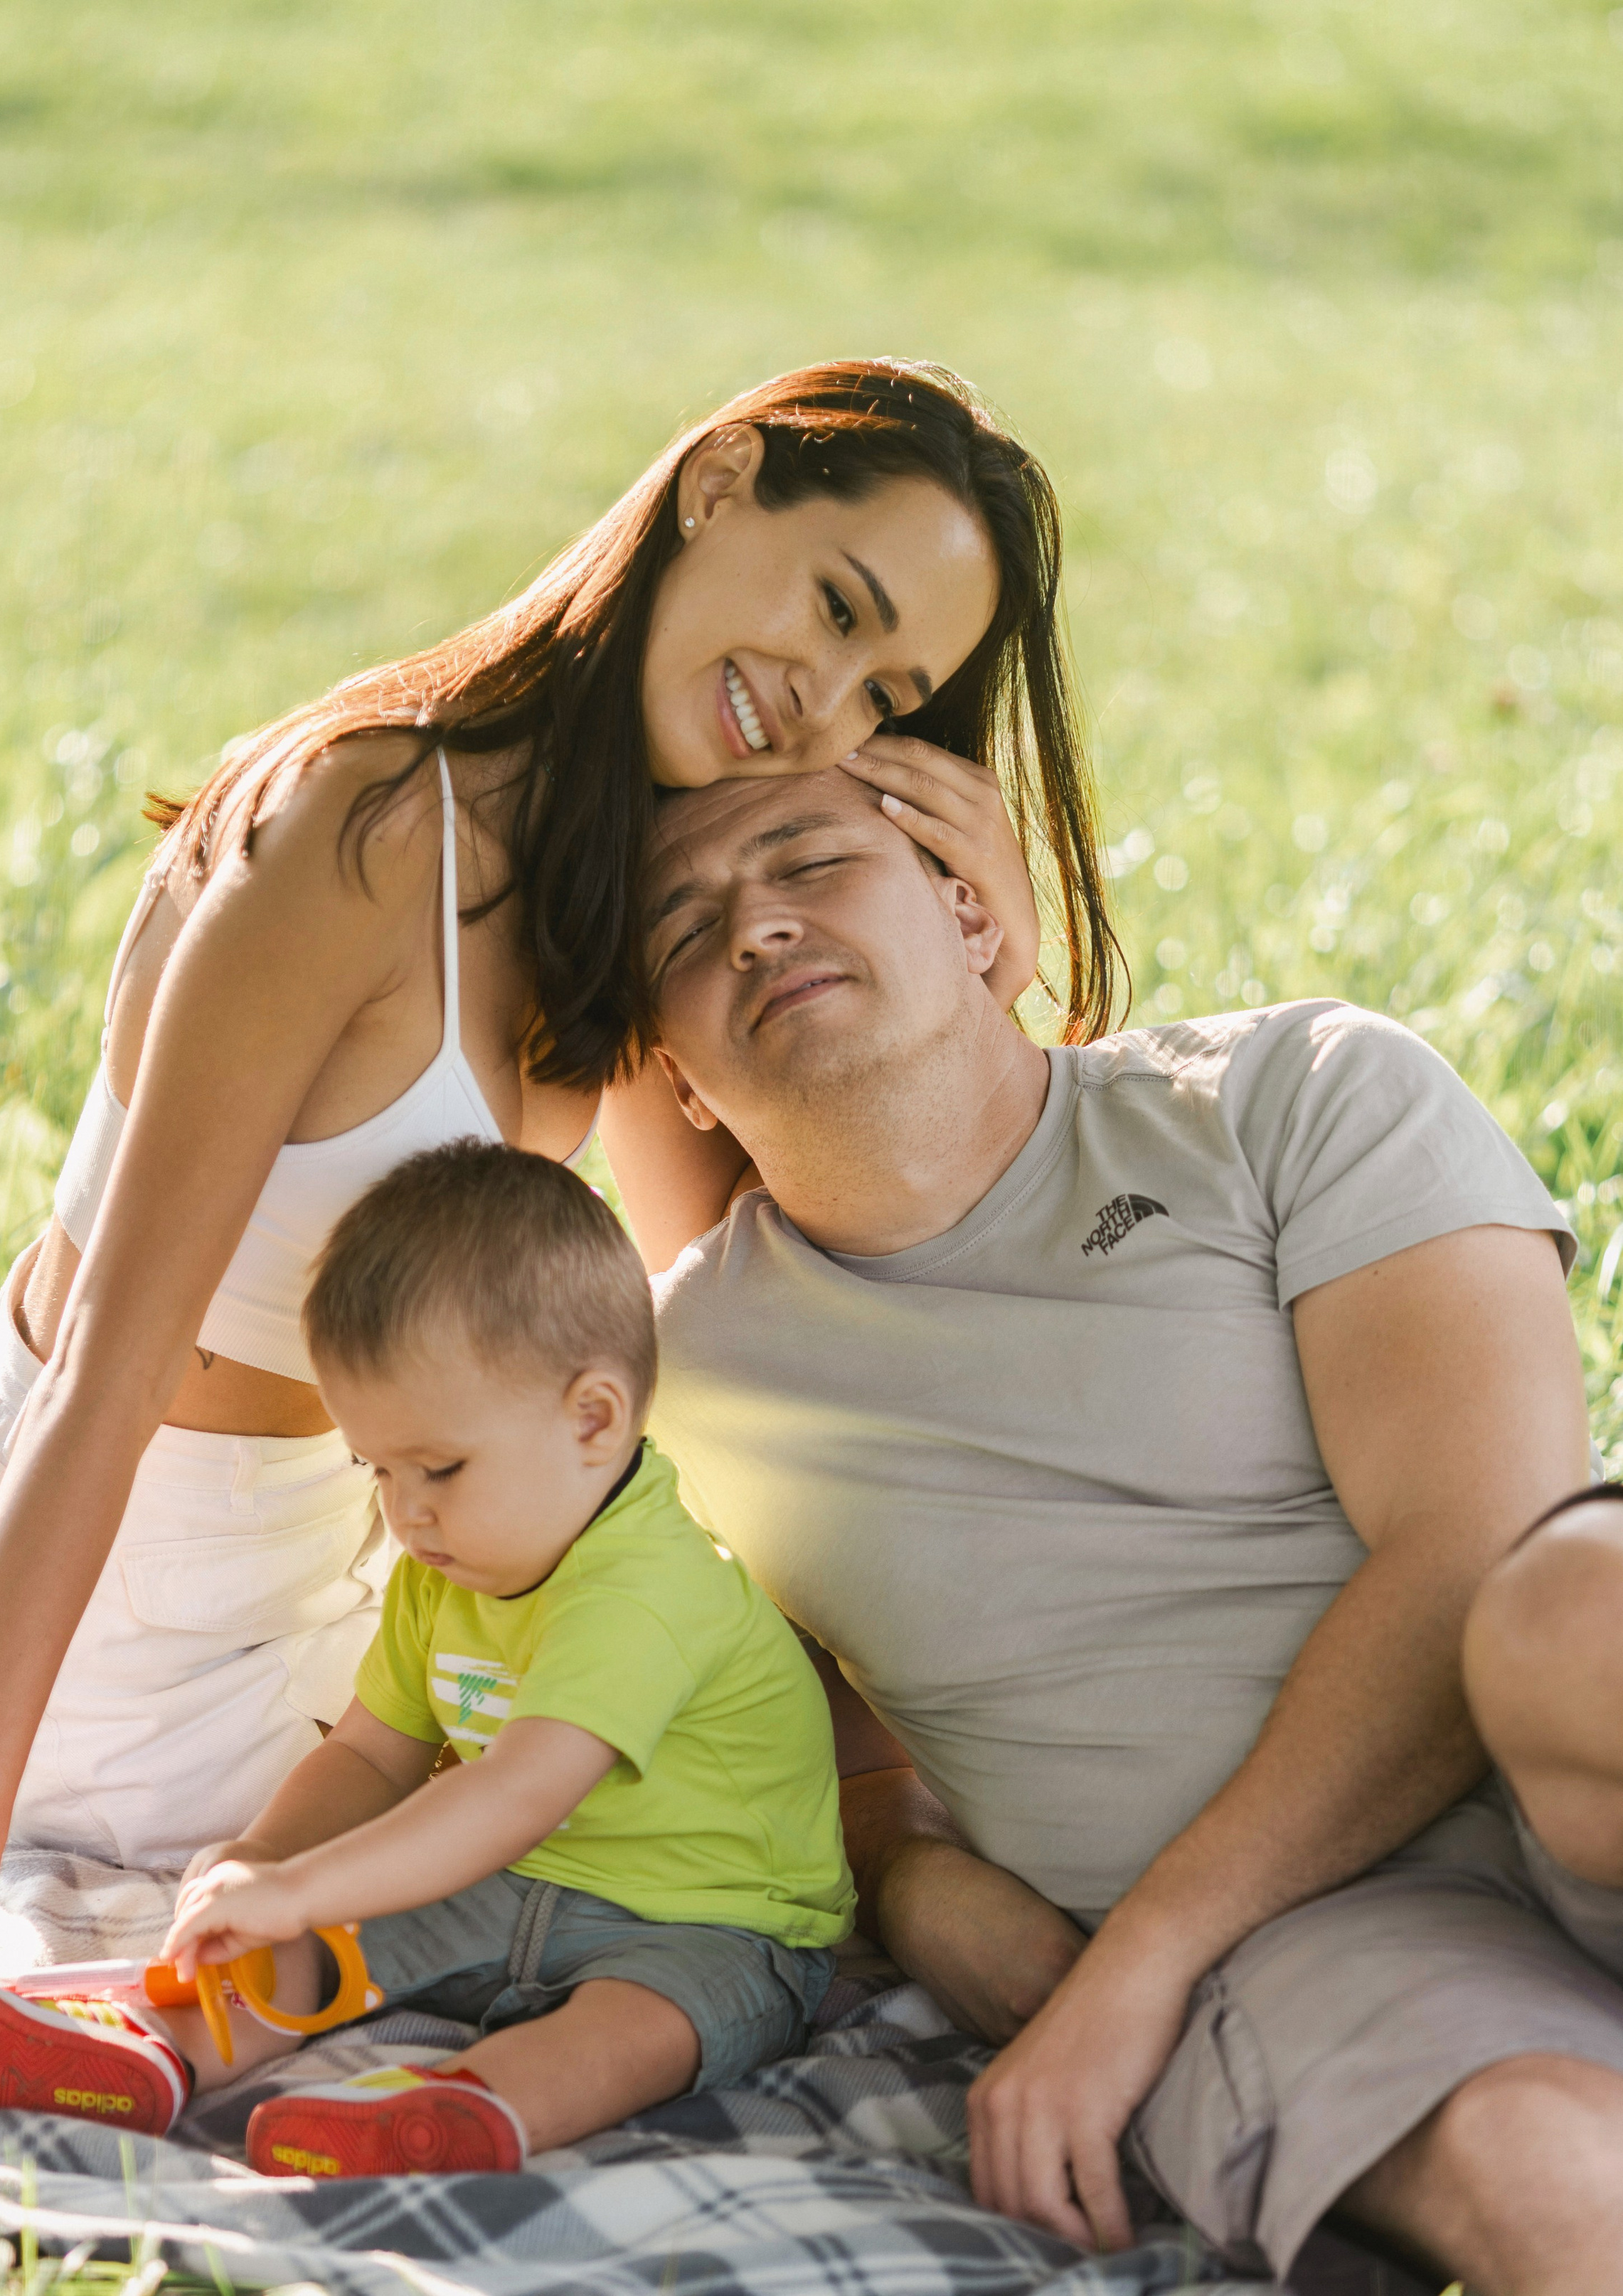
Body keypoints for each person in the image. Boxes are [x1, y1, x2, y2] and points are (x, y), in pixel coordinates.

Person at [0, 358, 1097, 2136]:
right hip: (117, 1603)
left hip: (355, 1571)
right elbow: (106, 1362)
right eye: (833, 607)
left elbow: (753, 1325)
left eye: (885, 694)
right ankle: (843, 1895)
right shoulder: (363, 827)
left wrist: (970, 973)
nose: (820, 702)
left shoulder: (617, 874)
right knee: (647, 1793)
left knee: (691, 1633)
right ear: (718, 481)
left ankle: (901, 1856)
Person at [630, 763, 1615, 2292]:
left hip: (1562, 1753)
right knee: (1545, 2169)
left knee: (1577, 1611)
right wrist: (908, 1873)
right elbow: (747, 1743)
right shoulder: (660, 1388)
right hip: (1317, 1949)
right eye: (686, 930)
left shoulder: (1295, 1090)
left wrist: (1132, 1969)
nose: (755, 926)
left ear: (973, 915)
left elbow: (1479, 1548)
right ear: (677, 1079)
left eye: (809, 862)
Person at [0, 1143, 853, 2173]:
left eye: (438, 1467)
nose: (405, 1511)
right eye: (376, 1468)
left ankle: (461, 2109)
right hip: (509, 1885)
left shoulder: (646, 1589)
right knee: (301, 1944)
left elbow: (513, 1794)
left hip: (711, 1921)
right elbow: (369, 1754)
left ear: (594, 1420)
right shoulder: (447, 1566)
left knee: (637, 2025)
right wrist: (265, 1860)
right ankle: (152, 2049)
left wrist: (307, 1885)